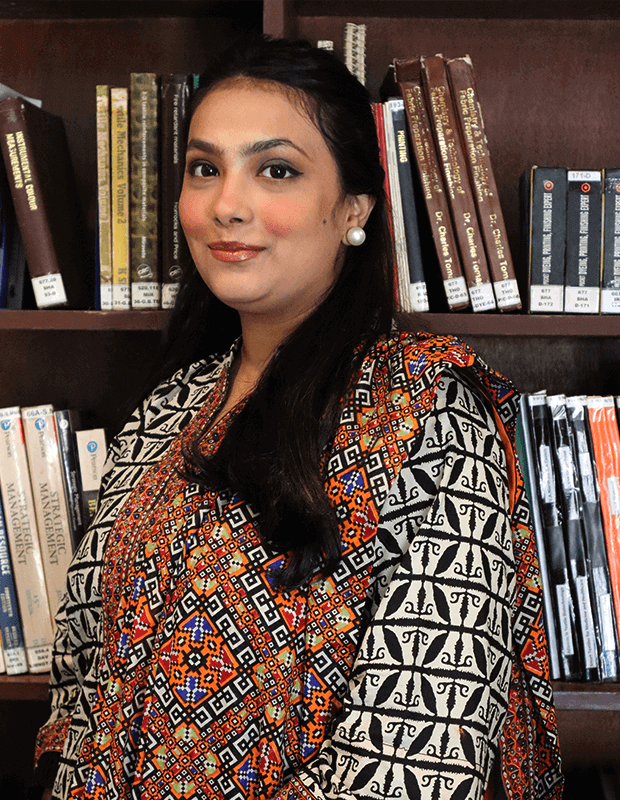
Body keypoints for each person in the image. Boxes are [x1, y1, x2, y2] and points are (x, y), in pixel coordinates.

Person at [35, 35, 562, 800]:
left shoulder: (433, 416)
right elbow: (86, 678)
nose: (227, 205)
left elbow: (416, 763)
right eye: (204, 168)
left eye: (276, 170)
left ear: (353, 207)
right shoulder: (172, 405)